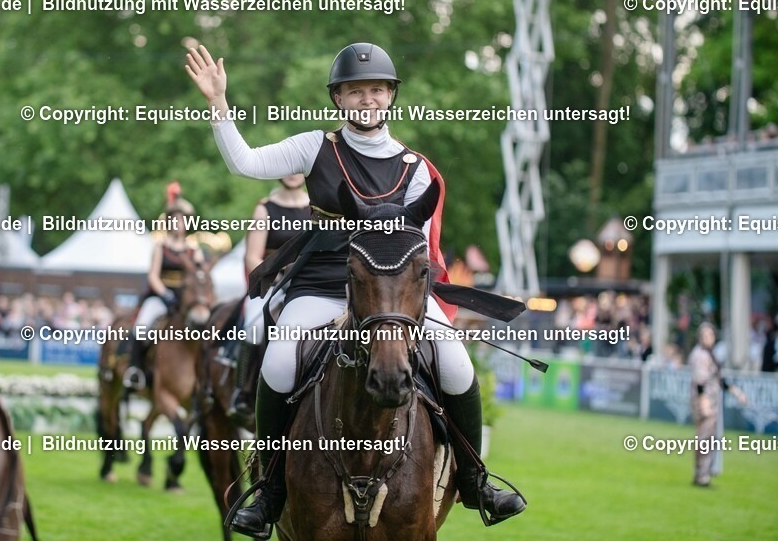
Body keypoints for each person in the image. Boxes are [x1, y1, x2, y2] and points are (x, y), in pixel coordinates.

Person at [186, 42, 526, 538]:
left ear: (390, 96)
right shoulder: (314, 147)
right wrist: (219, 102)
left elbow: (415, 250)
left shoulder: (415, 169)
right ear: (338, 99)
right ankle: (271, 490)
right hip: (320, 286)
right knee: (279, 363)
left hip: (391, 294)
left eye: (376, 90)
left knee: (455, 363)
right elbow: (244, 162)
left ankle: (475, 481)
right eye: (355, 91)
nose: (367, 99)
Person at [228, 173, 311, 424]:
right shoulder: (264, 209)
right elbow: (252, 257)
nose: (293, 174)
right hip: (272, 284)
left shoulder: (316, 206)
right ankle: (242, 392)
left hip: (308, 282)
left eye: (298, 169)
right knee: (253, 326)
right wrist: (280, 272)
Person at [123, 182, 204, 390]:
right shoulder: (160, 247)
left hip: (186, 300)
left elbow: (200, 276)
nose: (178, 223)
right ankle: (135, 369)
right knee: (142, 325)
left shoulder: (194, 250)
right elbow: (153, 276)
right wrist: (166, 294)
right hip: (162, 297)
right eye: (174, 219)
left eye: (182, 219)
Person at [688, 322, 746, 487]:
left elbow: (718, 378)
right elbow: (700, 380)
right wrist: (703, 401)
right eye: (705, 335)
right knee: (705, 438)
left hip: (712, 400)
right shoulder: (700, 355)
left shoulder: (711, 354)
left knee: (708, 438)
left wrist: (736, 392)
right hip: (705, 401)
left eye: (711, 335)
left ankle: (702, 473)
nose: (708, 338)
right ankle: (702, 476)